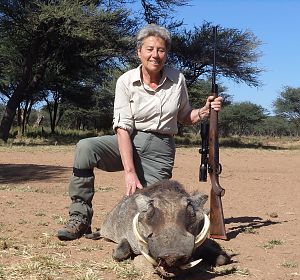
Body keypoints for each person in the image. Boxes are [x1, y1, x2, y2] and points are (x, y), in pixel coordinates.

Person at [57, 24, 222, 241]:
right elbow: (122, 128)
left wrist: (204, 111)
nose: (155, 55)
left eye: (161, 50)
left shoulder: (177, 79)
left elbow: (183, 115)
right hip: (129, 140)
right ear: (139, 52)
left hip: (160, 147)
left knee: (150, 205)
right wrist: (129, 171)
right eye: (150, 49)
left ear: (166, 54)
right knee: (85, 148)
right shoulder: (125, 81)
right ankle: (79, 218)